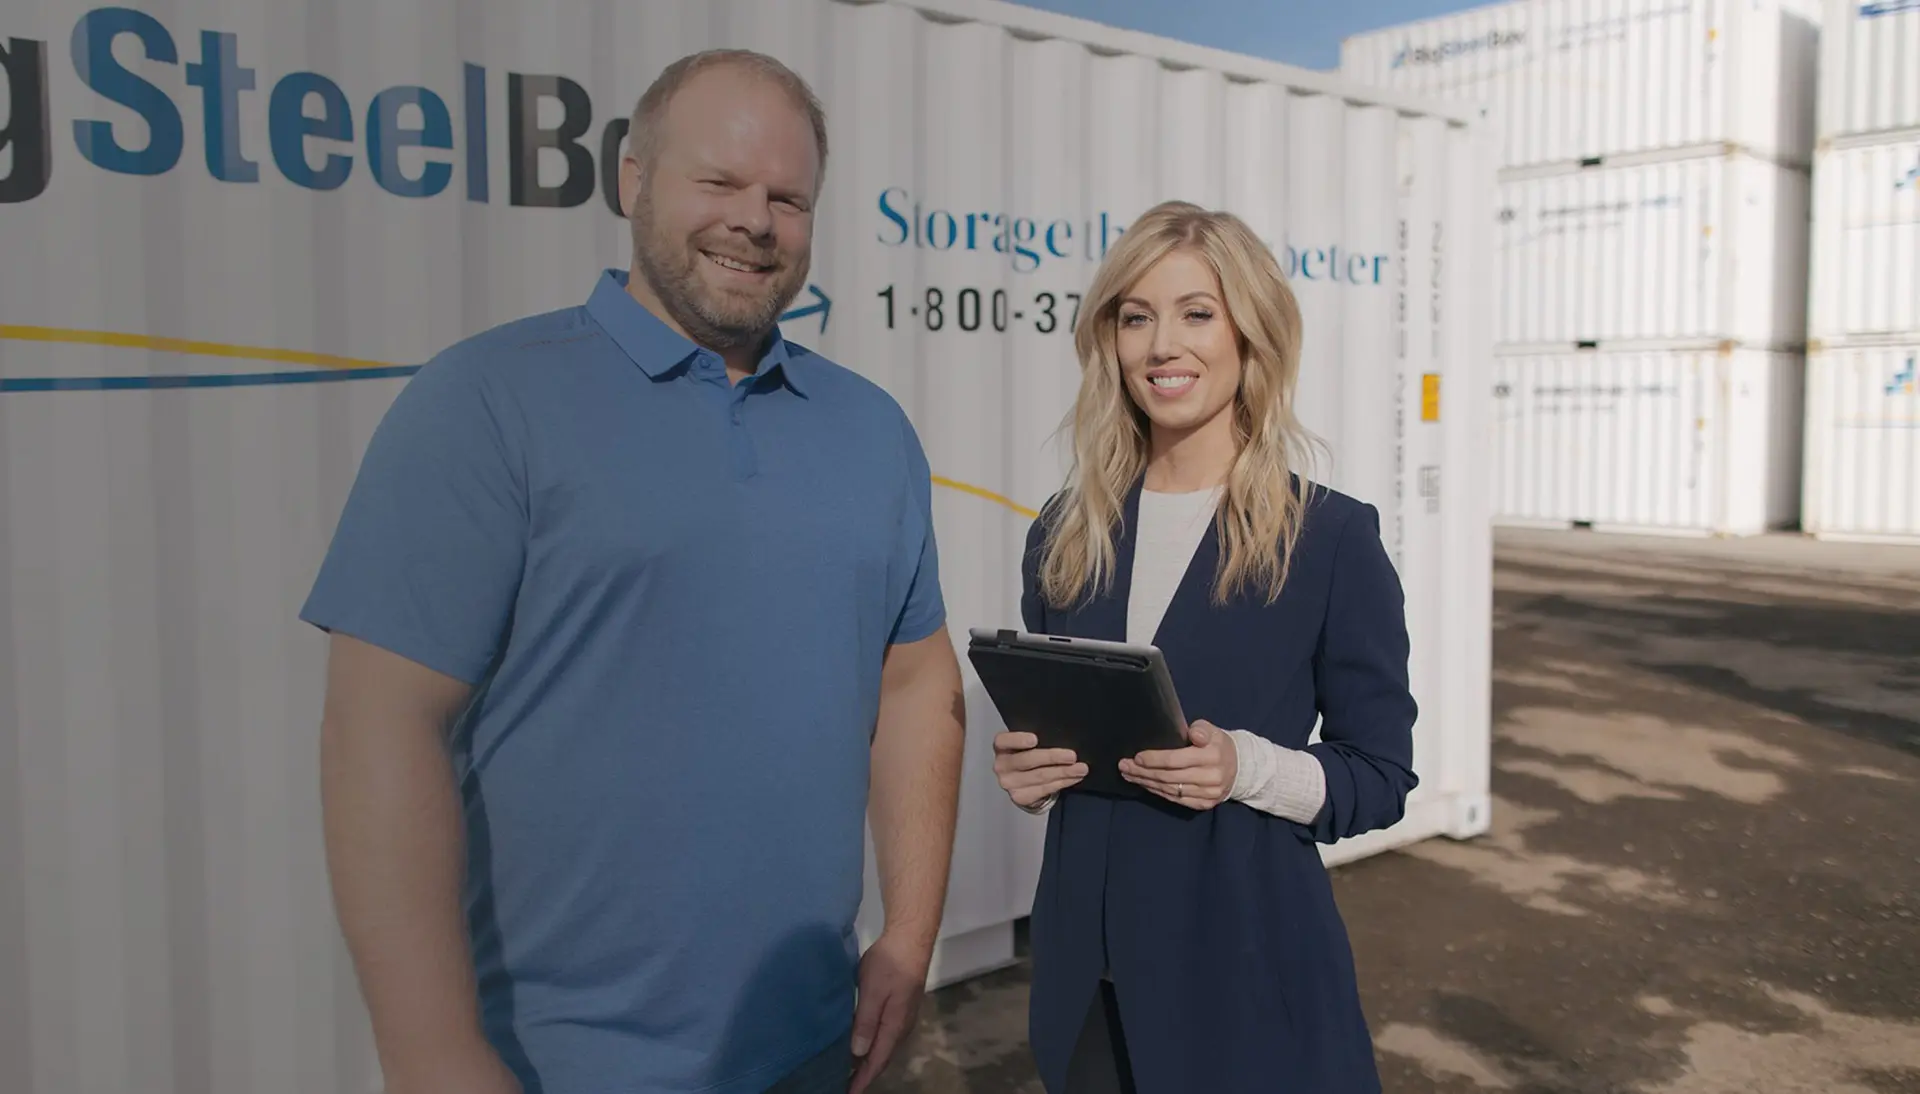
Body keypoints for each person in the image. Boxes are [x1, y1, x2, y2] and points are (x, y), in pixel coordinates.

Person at [302, 49, 966, 1094]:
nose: (756, 220)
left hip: (812, 1049)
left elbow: (917, 682)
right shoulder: (485, 402)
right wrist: (432, 1053)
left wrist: (911, 931)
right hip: (553, 1063)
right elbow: (379, 722)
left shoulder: (870, 431)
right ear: (633, 178)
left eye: (787, 197)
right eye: (721, 182)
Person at [991, 200, 1419, 1093]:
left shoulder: (1330, 539)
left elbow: (1380, 777)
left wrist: (1245, 769)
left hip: (1245, 978)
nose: (1160, 346)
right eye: (1136, 317)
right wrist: (1031, 775)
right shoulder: (1065, 533)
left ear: (1250, 335)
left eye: (1196, 312)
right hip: (1086, 985)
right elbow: (1072, 744)